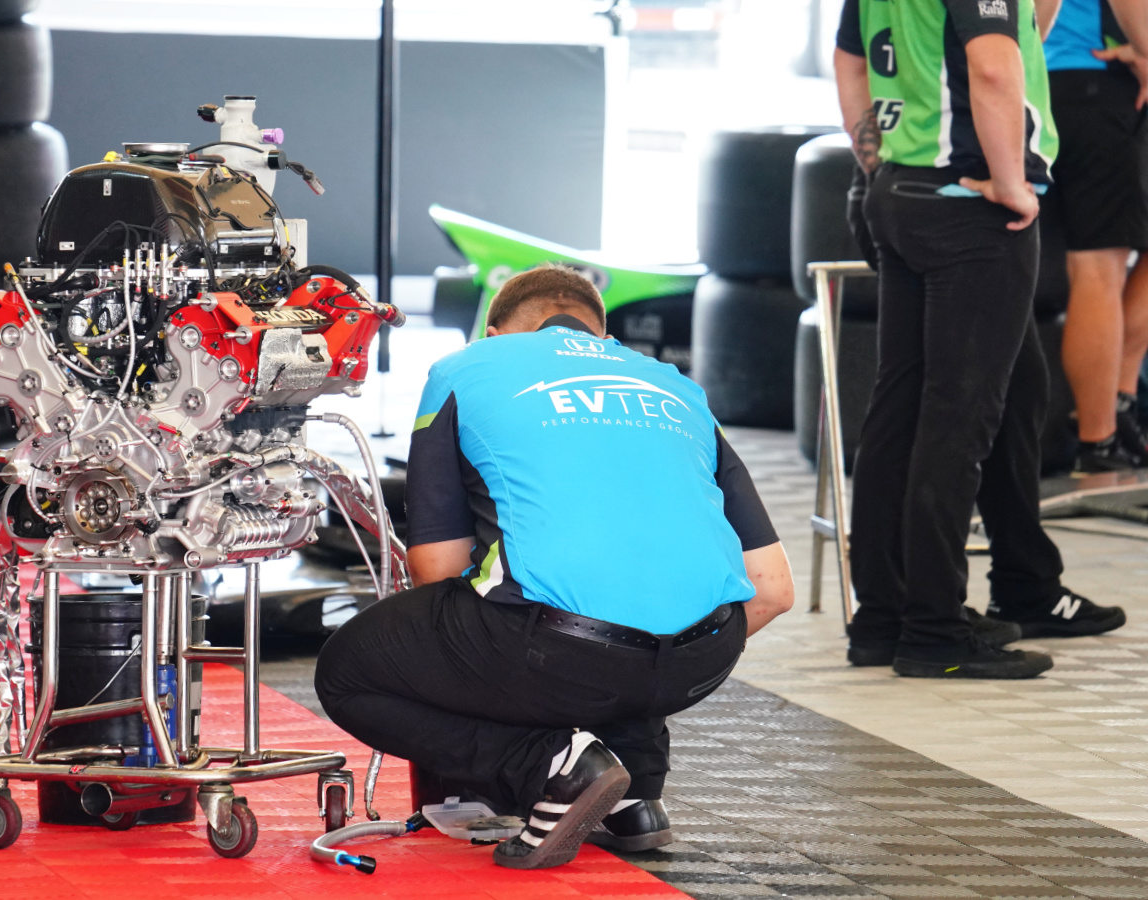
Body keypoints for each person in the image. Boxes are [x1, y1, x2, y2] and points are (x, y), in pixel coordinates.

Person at [313, 266, 794, 869]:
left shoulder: (465, 370)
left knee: (349, 671)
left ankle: (552, 767)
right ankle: (636, 797)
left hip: (561, 652)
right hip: (705, 660)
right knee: (616, 616)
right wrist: (655, 651)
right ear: (602, 336)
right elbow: (774, 591)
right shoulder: (677, 388)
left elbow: (437, 567)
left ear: (493, 333)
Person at [834, 0, 1125, 680]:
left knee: (904, 410)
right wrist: (1012, 183)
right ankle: (934, 628)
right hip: (968, 204)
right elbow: (995, 68)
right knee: (956, 421)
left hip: (901, 189)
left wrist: (875, 159)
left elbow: (852, 62)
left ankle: (883, 617)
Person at [1046, 0, 1148, 472]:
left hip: (1070, 82)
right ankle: (1097, 439)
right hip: (1091, 76)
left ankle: (1119, 400)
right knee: (1096, 267)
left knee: (1100, 264)